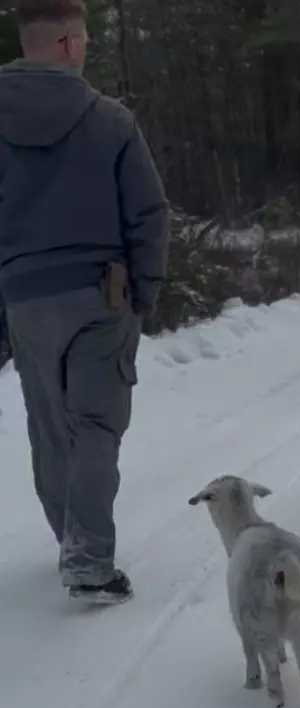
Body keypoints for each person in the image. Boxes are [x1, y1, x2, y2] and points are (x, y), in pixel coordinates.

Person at [0, 0, 169, 605]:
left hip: (24, 297)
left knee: (49, 430)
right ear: (70, 45)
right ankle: (89, 562)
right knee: (95, 424)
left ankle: (69, 539)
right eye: (86, 42)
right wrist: (145, 292)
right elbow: (148, 213)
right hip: (102, 293)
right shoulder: (110, 119)